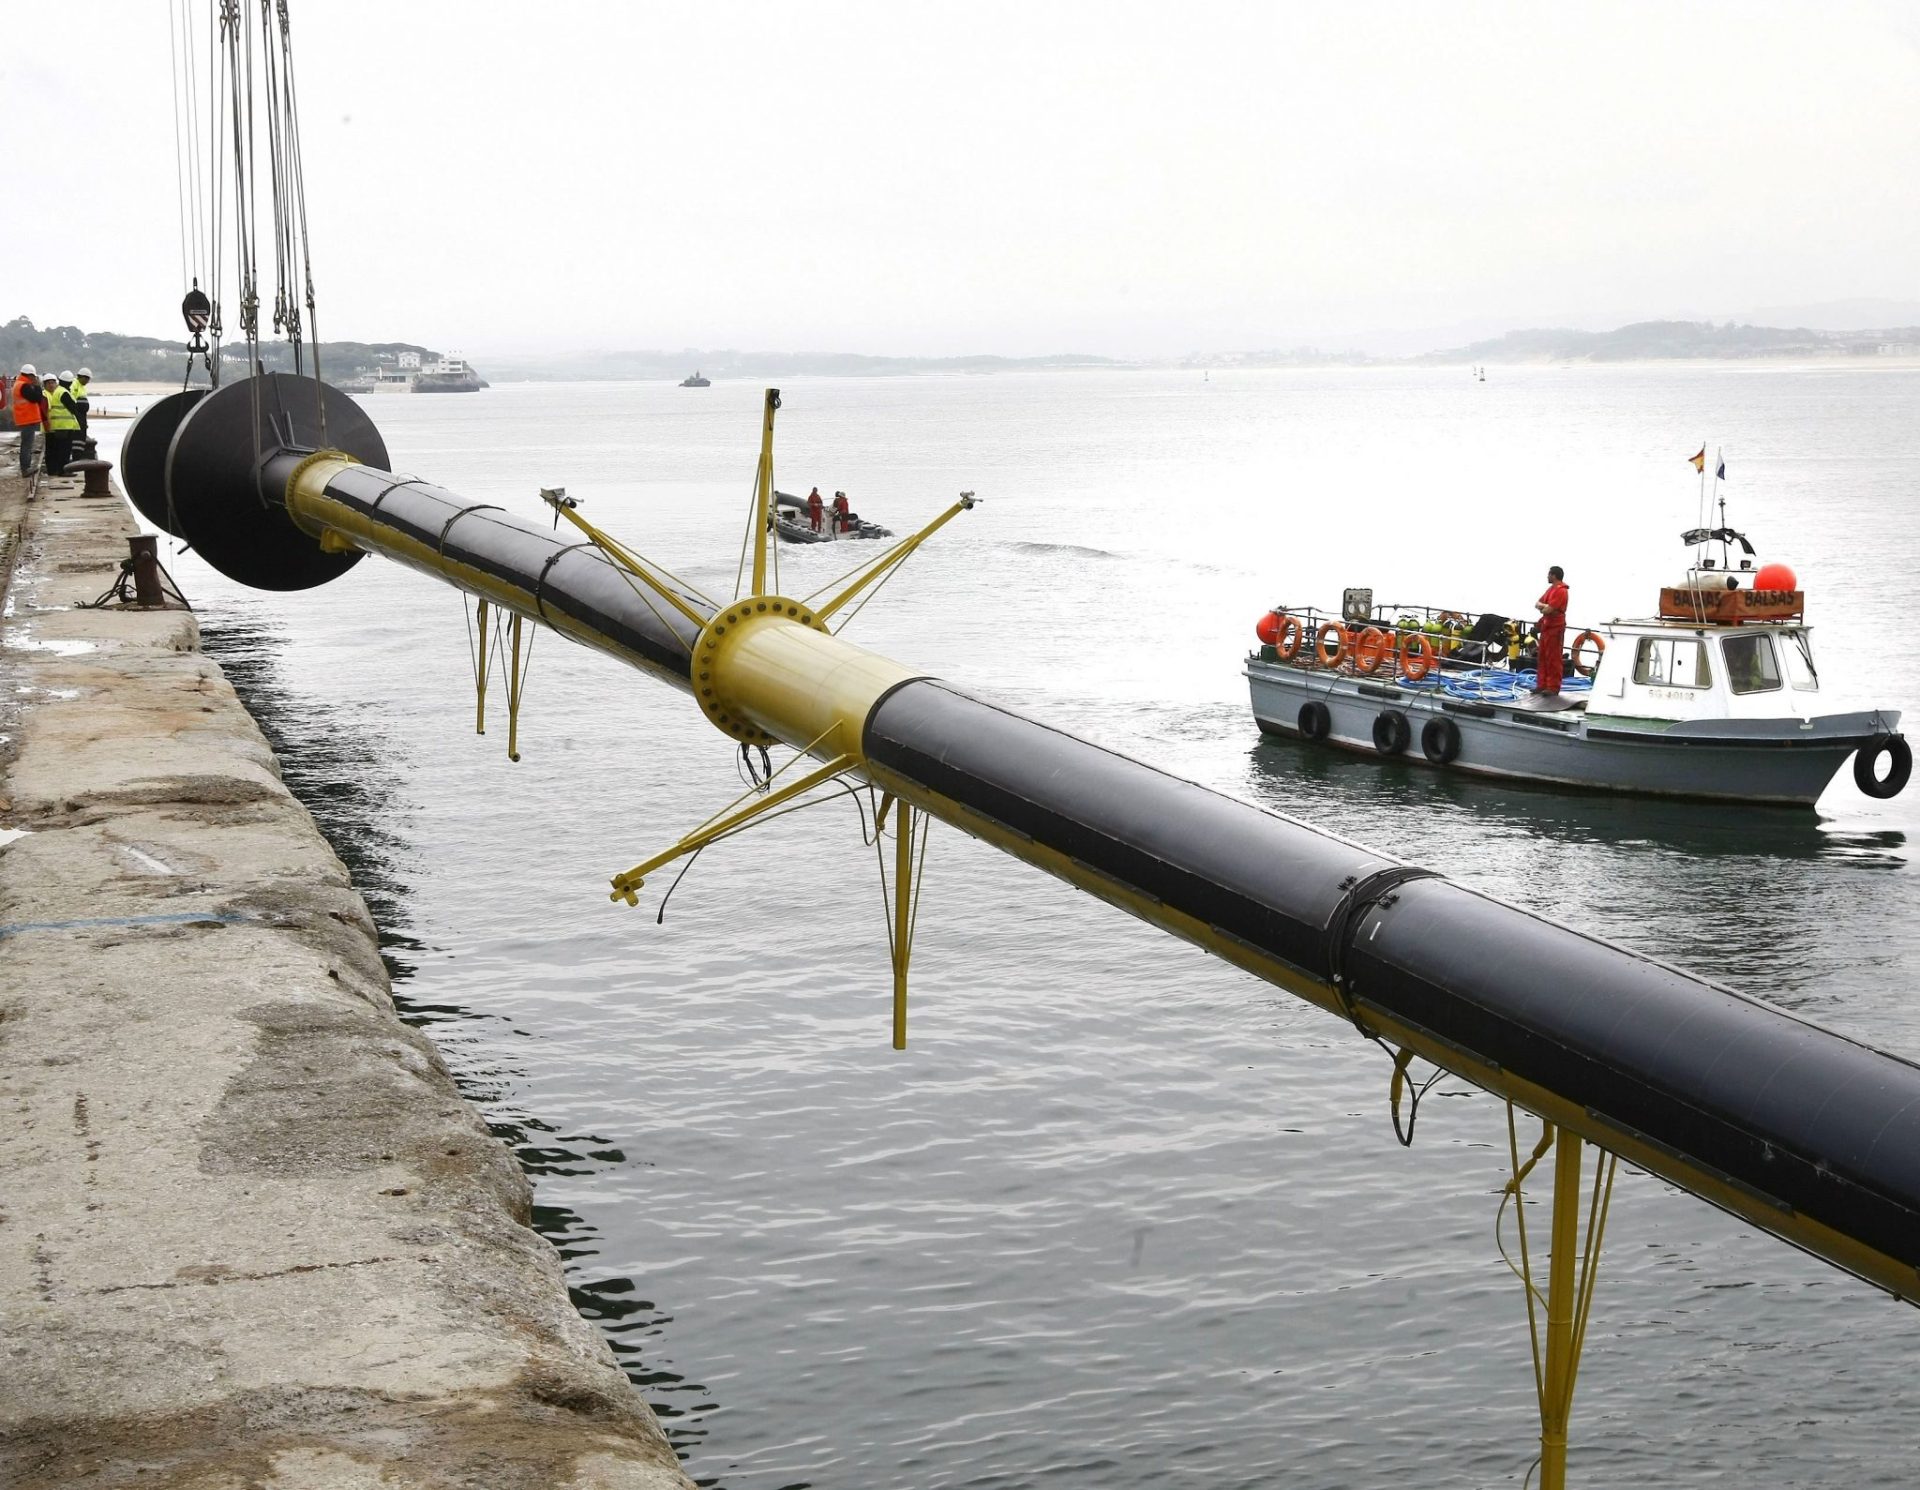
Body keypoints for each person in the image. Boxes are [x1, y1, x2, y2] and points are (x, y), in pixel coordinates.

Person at [1532, 565, 1569, 694]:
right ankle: (1542, 684)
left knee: (1553, 657)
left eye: (1549, 574)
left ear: (1554, 575)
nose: (1547, 576)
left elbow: (1549, 609)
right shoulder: (1550, 589)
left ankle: (1553, 687)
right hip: (1546, 626)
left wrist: (1544, 607)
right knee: (1542, 656)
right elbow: (1538, 604)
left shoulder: (1561, 591)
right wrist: (1544, 606)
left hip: (1555, 627)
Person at [44, 371, 83, 476]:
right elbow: (73, 408)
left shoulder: (57, 391)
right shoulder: (63, 392)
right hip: (64, 426)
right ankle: (64, 470)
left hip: (59, 426)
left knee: (59, 449)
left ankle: (57, 469)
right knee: (64, 449)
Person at [11, 362, 47, 476]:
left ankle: (26, 467)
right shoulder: (24, 386)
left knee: (26, 443)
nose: (34, 379)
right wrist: (37, 386)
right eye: (33, 377)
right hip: (27, 418)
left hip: (24, 418)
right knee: (27, 444)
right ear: (29, 375)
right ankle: (25, 468)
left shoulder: (18, 384)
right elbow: (36, 398)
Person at [69, 367, 92, 440]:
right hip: (77, 415)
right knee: (77, 436)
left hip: (82, 416)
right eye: (87, 379)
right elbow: (71, 399)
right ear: (82, 377)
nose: (88, 382)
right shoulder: (74, 384)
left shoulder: (83, 387)